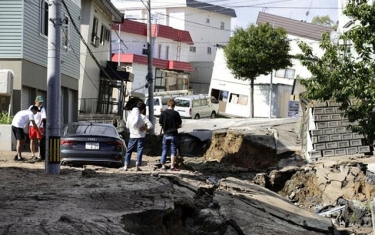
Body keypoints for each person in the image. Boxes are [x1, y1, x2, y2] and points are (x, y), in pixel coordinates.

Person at [120, 101, 153, 171]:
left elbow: (127, 126)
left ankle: (126, 165)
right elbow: (150, 126)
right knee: (139, 150)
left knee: (129, 151)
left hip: (132, 136)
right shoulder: (143, 117)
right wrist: (145, 128)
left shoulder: (130, 116)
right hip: (141, 136)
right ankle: (137, 166)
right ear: (143, 109)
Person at [159, 99, 182, 171]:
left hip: (166, 134)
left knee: (165, 149)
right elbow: (179, 124)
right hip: (174, 134)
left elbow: (160, 123)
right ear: (174, 106)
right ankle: (172, 166)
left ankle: (163, 166)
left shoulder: (163, 113)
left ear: (167, 105)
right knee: (173, 150)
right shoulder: (176, 113)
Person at [29, 96, 46, 160]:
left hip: (39, 126)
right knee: (32, 140)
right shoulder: (31, 107)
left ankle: (39, 154)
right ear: (35, 101)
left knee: (40, 141)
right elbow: (29, 115)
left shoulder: (42, 108)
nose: (40, 103)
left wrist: (39, 124)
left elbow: (43, 117)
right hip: (32, 126)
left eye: (41, 102)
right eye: (39, 102)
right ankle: (32, 154)